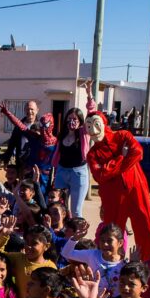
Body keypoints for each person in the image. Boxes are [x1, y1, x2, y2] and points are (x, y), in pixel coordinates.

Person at [86, 110, 150, 259]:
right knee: (112, 233)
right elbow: (100, 176)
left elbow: (137, 152)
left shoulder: (123, 136)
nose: (93, 130)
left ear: (104, 124)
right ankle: (110, 266)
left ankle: (149, 263)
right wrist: (120, 158)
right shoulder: (92, 154)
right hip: (112, 196)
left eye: (96, 125)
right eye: (88, 126)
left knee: (146, 227)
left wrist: (111, 168)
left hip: (136, 189)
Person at [51, 80, 96, 218]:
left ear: (80, 121)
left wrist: (89, 94)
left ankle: (77, 237)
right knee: (59, 209)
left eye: (75, 119)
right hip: (62, 172)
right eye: (70, 118)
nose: (72, 121)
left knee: (76, 211)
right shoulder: (62, 134)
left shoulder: (84, 133)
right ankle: (62, 235)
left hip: (78, 173)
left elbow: (92, 114)